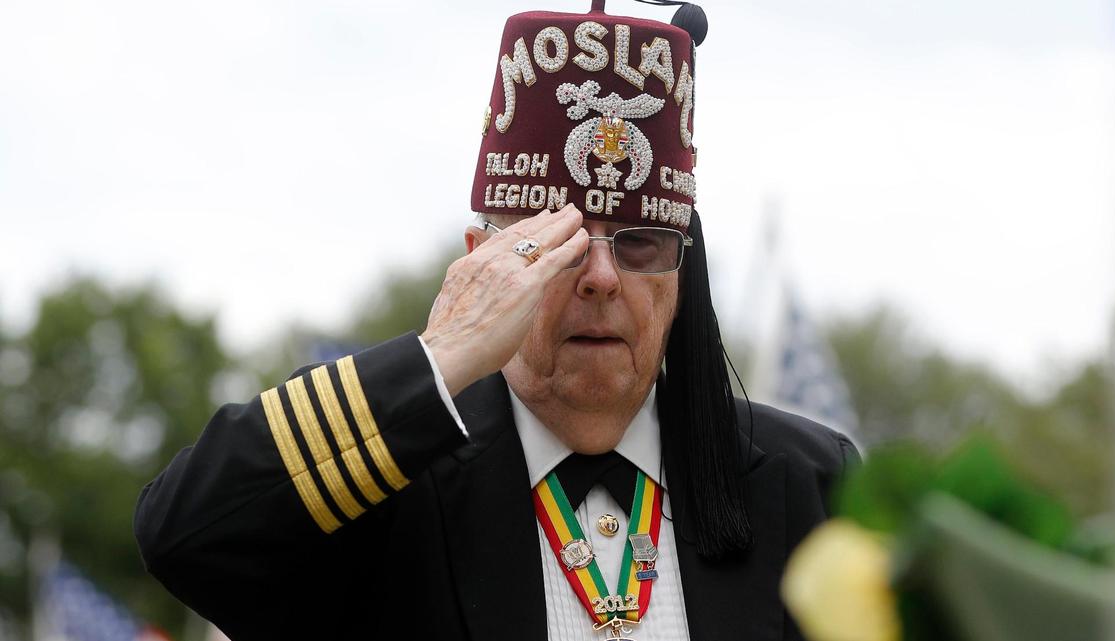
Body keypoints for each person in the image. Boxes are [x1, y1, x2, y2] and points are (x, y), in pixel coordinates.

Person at [134, 1, 858, 639]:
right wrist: (440, 353)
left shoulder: (807, 482)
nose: (602, 277)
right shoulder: (390, 495)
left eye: (640, 242)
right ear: (484, 259)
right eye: (558, 241)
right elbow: (184, 533)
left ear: (679, 275)